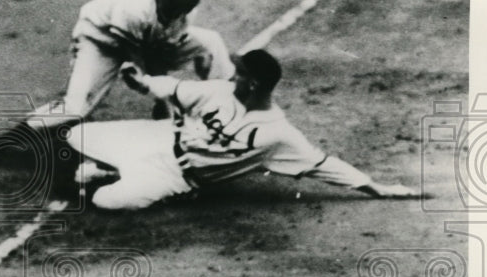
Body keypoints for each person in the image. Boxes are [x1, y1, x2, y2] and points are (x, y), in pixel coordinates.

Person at [70, 49, 417, 210]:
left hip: (177, 178)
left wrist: (378, 188)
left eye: (239, 75)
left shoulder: (278, 134)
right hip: (159, 138)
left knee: (108, 201)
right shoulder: (219, 91)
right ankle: (107, 166)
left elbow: (324, 165)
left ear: (252, 85)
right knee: (75, 136)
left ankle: (105, 173)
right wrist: (143, 83)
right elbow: (173, 89)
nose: (232, 76)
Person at [27, 0, 234, 128]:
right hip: (100, 41)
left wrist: (166, 92)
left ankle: (228, 105)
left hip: (146, 42)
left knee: (210, 43)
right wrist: (162, 100)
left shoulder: (186, 10)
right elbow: (142, 60)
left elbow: (161, 52)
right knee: (76, 109)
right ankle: (25, 132)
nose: (196, 0)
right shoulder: (135, 7)